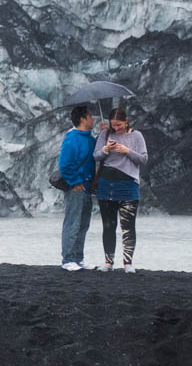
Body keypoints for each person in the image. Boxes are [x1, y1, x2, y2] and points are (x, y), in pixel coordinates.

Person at [92, 107, 148, 273]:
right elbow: (95, 156)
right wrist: (106, 149)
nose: (116, 128)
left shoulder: (137, 136)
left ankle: (128, 264)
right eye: (113, 125)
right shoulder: (105, 134)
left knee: (128, 226)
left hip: (128, 185)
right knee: (108, 225)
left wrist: (127, 151)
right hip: (106, 186)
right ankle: (108, 263)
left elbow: (143, 159)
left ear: (127, 120)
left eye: (119, 125)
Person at [58, 105, 97, 270]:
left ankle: (78, 258)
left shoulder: (89, 138)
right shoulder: (72, 138)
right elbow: (64, 164)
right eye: (90, 116)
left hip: (87, 187)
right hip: (76, 188)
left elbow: (99, 153)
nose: (93, 119)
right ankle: (67, 260)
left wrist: (104, 135)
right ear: (83, 118)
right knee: (73, 223)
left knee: (83, 224)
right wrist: (75, 182)